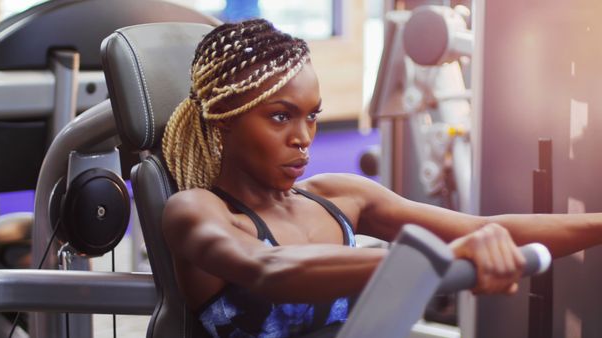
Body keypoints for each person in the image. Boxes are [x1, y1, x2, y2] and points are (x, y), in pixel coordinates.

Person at [160, 19, 602, 338]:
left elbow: (484, 229)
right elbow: (269, 268)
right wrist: (434, 260)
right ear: (224, 123)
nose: (303, 138)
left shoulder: (339, 196)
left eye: (312, 116)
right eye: (280, 117)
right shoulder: (196, 210)